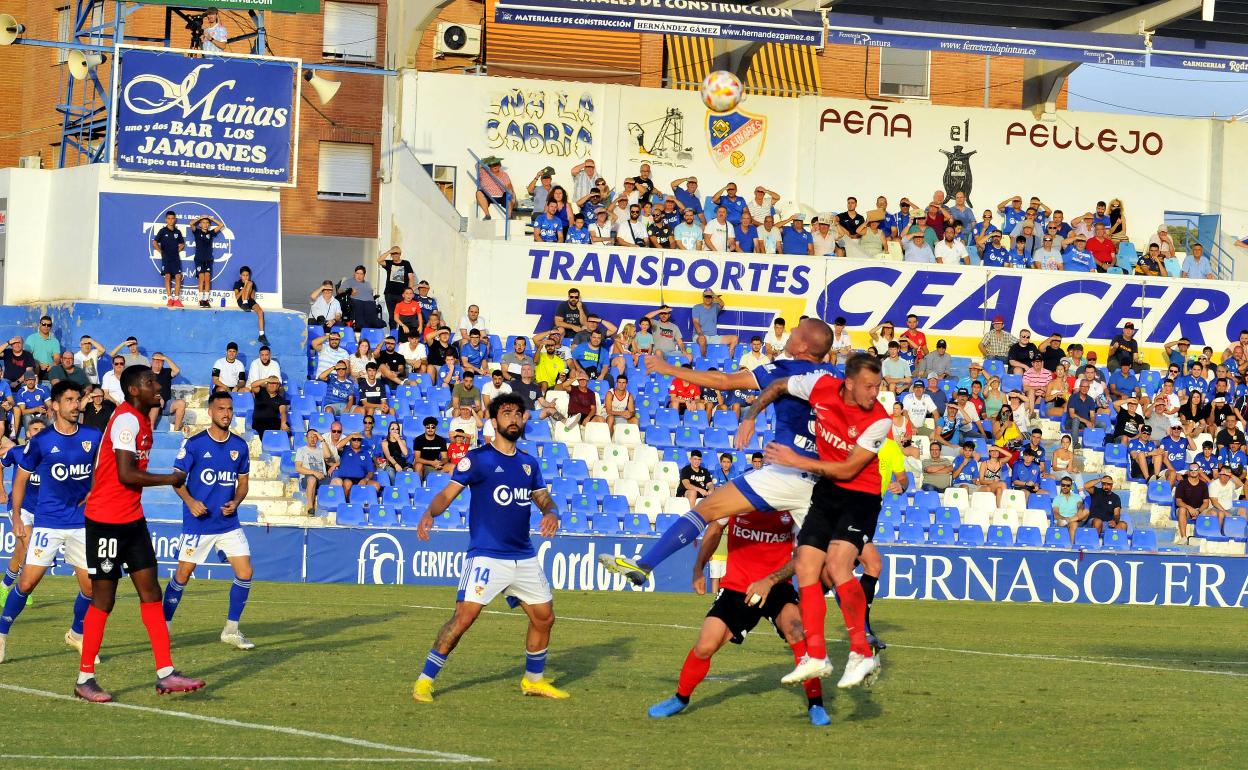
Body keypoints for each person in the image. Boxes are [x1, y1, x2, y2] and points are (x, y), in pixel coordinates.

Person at [599, 318, 837, 587]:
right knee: (832, 566)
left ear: (804, 345)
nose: (791, 332)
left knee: (706, 509)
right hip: (824, 481)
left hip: (787, 472)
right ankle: (861, 629)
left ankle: (645, 564)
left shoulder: (784, 369)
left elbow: (723, 381)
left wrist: (669, 368)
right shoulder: (837, 376)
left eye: (796, 331)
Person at [747, 353, 891, 689]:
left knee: (840, 566)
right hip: (828, 493)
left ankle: (860, 652)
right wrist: (752, 414)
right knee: (807, 565)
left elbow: (849, 469)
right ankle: (816, 655)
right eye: (870, 386)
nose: (876, 393)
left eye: (879, 385)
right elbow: (781, 384)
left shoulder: (880, 419)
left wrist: (797, 460)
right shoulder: (820, 386)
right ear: (849, 382)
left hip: (860, 496)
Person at [413, 394, 566, 703]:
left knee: (544, 617)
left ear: (524, 420)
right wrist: (430, 513)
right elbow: (448, 493)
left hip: (523, 555)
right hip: (487, 554)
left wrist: (552, 513)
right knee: (463, 619)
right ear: (494, 421)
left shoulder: (528, 463)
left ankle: (533, 681)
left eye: (518, 413)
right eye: (506, 413)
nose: (513, 418)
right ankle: (424, 681)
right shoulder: (478, 459)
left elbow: (543, 499)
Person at [73, 365, 204, 702]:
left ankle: (166, 673)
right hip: (105, 521)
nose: (156, 384)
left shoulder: (144, 420)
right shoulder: (128, 419)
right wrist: (170, 479)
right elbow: (127, 474)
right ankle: (85, 678)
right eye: (149, 382)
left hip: (131, 519)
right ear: (133, 390)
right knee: (105, 598)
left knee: (151, 592)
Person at [647, 509, 828, 727]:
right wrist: (698, 568)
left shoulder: (791, 503)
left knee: (797, 631)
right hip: (736, 588)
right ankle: (680, 698)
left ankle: (816, 704)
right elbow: (714, 528)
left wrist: (769, 581)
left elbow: (803, 556)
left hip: (776, 585)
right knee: (705, 646)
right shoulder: (739, 496)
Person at [0, 382, 99, 665]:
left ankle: (76, 633)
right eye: (69, 400)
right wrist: (17, 517)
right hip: (48, 523)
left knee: (91, 589)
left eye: (78, 399)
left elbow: (103, 469)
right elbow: (20, 479)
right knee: (28, 582)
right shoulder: (41, 441)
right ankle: (1, 633)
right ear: (55, 405)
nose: (75, 405)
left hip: (81, 523)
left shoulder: (92, 436)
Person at [162, 391, 254, 649]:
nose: (226, 413)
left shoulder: (240, 446)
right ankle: (164, 625)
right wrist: (191, 502)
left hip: (227, 523)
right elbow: (176, 480)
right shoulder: (195, 444)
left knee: (246, 572)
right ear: (211, 412)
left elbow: (243, 484)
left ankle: (231, 630)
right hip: (198, 523)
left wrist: (235, 502)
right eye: (221, 409)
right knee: (183, 574)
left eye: (230, 409)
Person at [691, 290, 737, 359]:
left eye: (710, 297)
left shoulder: (715, 307)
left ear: (712, 298)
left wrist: (714, 295)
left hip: (713, 337)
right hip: (700, 336)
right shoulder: (696, 307)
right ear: (703, 297)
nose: (708, 298)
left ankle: (728, 360)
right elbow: (695, 322)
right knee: (702, 339)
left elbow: (722, 304)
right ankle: (704, 360)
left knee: (734, 338)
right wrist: (701, 334)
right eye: (706, 296)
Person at [153, 211, 186, 307]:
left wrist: (176, 251)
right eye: (169, 218)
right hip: (166, 258)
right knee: (167, 277)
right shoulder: (162, 231)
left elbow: (182, 244)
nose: (171, 220)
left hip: (175, 258)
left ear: (175, 219)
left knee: (178, 277)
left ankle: (176, 299)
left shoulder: (177, 232)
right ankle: (169, 299)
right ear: (166, 219)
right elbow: (155, 243)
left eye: (172, 218)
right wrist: (161, 252)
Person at [295, 429, 328, 516]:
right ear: (306, 438)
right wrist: (314, 472)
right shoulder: (301, 450)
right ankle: (310, 507)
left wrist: (322, 439)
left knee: (337, 481)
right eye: (310, 437)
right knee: (312, 479)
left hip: (322, 477)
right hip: (308, 478)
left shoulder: (321, 450)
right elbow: (298, 468)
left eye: (315, 437)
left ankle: (335, 507)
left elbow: (328, 456)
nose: (313, 439)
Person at [191, 216, 223, 307]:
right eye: (203, 222)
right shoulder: (197, 232)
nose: (205, 224)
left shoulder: (211, 233)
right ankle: (200, 300)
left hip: (208, 259)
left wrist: (211, 219)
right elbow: (191, 224)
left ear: (209, 225)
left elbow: (221, 225)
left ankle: (206, 300)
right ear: (200, 224)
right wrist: (201, 217)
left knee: (207, 279)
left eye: (207, 223)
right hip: (199, 259)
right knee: (201, 278)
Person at [231, 266, 269, 345]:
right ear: (240, 275)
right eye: (243, 275)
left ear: (249, 276)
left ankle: (261, 335)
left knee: (260, 312)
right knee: (249, 283)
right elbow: (237, 297)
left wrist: (248, 288)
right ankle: (245, 304)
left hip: (249, 301)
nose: (245, 277)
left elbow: (252, 297)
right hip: (241, 301)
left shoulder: (252, 283)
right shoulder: (237, 283)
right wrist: (244, 287)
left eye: (247, 275)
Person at [1051, 476, 1087, 542]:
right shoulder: (1057, 498)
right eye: (1063, 485)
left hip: (1074, 519)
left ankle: (1070, 521)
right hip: (1062, 521)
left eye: (1067, 485)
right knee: (1074, 523)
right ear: (1060, 485)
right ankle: (1072, 546)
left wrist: (1079, 509)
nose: (1065, 487)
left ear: (1071, 486)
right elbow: (1056, 513)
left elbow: (1080, 505)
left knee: (1086, 511)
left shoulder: (1077, 496)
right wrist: (1064, 519)